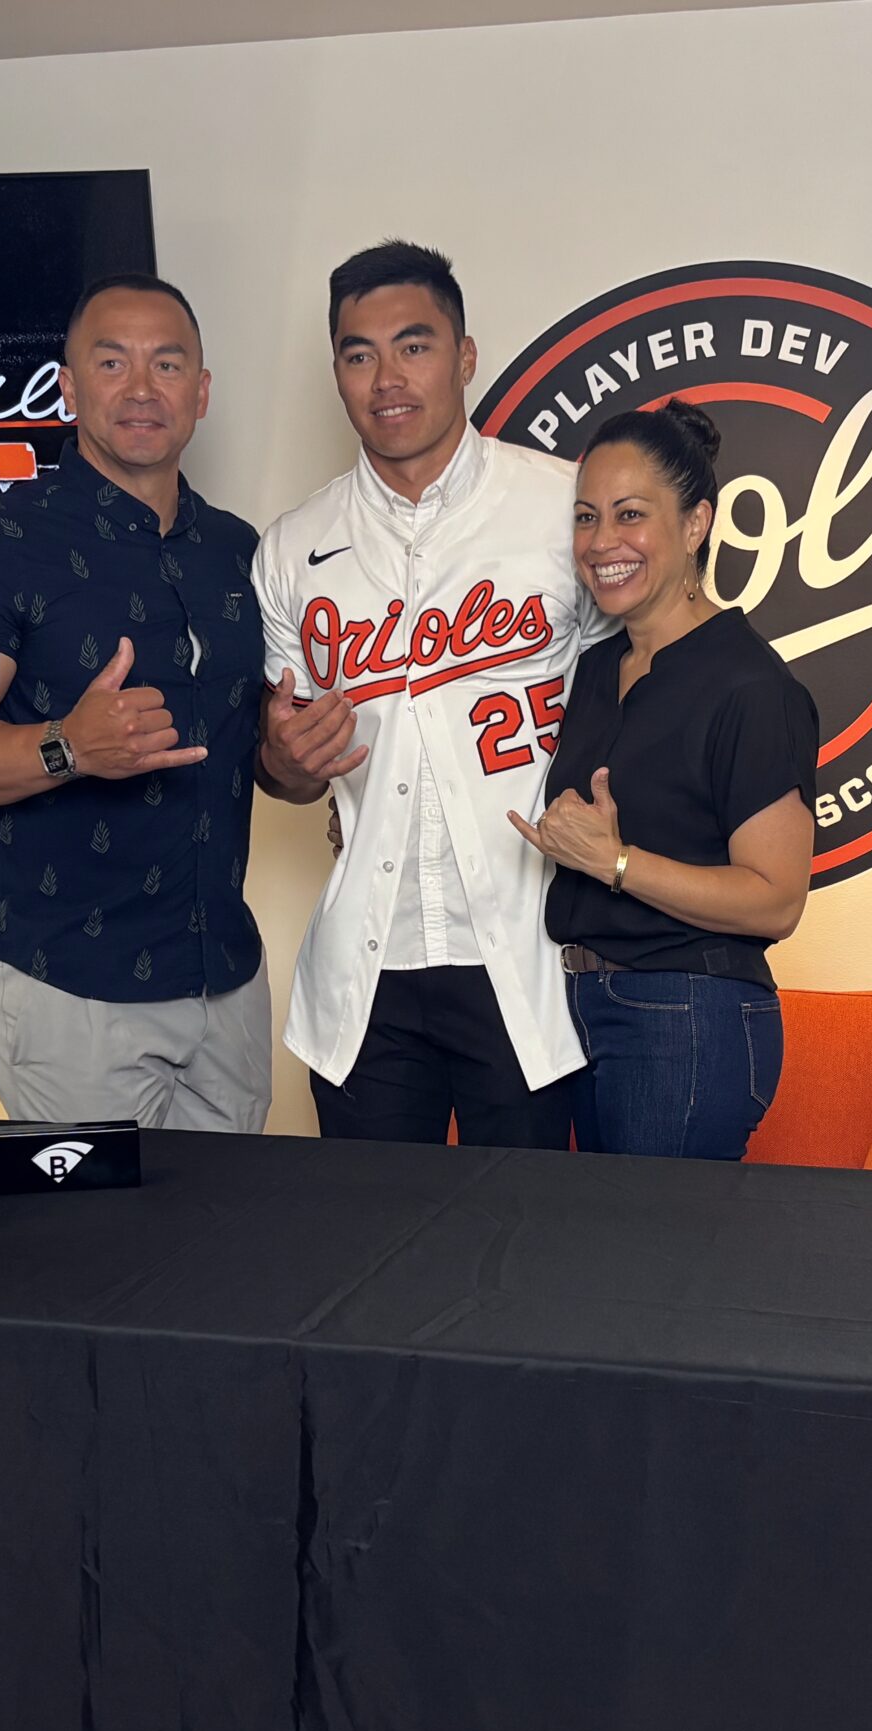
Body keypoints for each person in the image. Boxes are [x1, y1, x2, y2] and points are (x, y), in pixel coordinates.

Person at [0, 273, 271, 1131]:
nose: (142, 388)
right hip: (70, 985)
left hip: (225, 982)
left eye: (168, 364)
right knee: (99, 1263)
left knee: (233, 1259)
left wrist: (297, 755)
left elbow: (264, 759)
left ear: (201, 392)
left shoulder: (239, 552)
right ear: (68, 386)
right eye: (112, 363)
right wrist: (66, 745)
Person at [255, 241, 608, 1146]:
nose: (386, 377)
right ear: (336, 371)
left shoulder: (566, 507)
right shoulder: (295, 546)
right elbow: (288, 772)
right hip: (365, 970)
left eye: (414, 345)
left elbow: (637, 702)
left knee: (520, 1256)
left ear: (464, 356)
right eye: (358, 352)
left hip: (523, 954)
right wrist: (283, 761)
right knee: (368, 1262)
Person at [510, 403, 819, 1160]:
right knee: (599, 1265)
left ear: (695, 525)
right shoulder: (594, 670)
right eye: (586, 518)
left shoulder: (749, 685)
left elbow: (777, 900)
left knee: (651, 1265)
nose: (602, 542)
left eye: (630, 515)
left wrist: (614, 862)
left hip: (686, 1011)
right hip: (578, 1004)